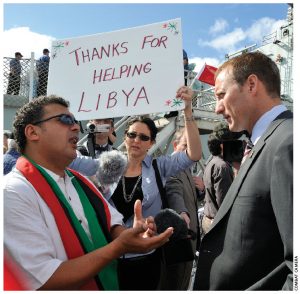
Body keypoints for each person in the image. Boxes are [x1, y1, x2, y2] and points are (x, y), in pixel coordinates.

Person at [4, 95, 173, 290]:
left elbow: (112, 224)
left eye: (75, 121)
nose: (76, 127)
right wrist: (120, 246)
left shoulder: (81, 182)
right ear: (33, 132)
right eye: (65, 120)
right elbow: (45, 279)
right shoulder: (13, 191)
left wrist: (133, 234)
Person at [193, 51, 293, 290]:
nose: (217, 108)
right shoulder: (265, 143)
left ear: (251, 84)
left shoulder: (288, 143)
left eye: (221, 95)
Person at [105, 86, 202, 290]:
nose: (136, 141)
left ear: (151, 143)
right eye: (132, 135)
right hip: (111, 254)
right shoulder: (109, 167)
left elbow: (193, 154)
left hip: (146, 256)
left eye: (143, 137)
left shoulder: (160, 166)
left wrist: (187, 112)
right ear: (125, 137)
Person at [159, 128, 201, 290]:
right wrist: (181, 212)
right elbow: (173, 190)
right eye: (186, 146)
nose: (190, 152)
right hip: (180, 240)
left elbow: (188, 196)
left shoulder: (187, 168)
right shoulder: (172, 167)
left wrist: (201, 190)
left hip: (188, 239)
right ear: (175, 145)